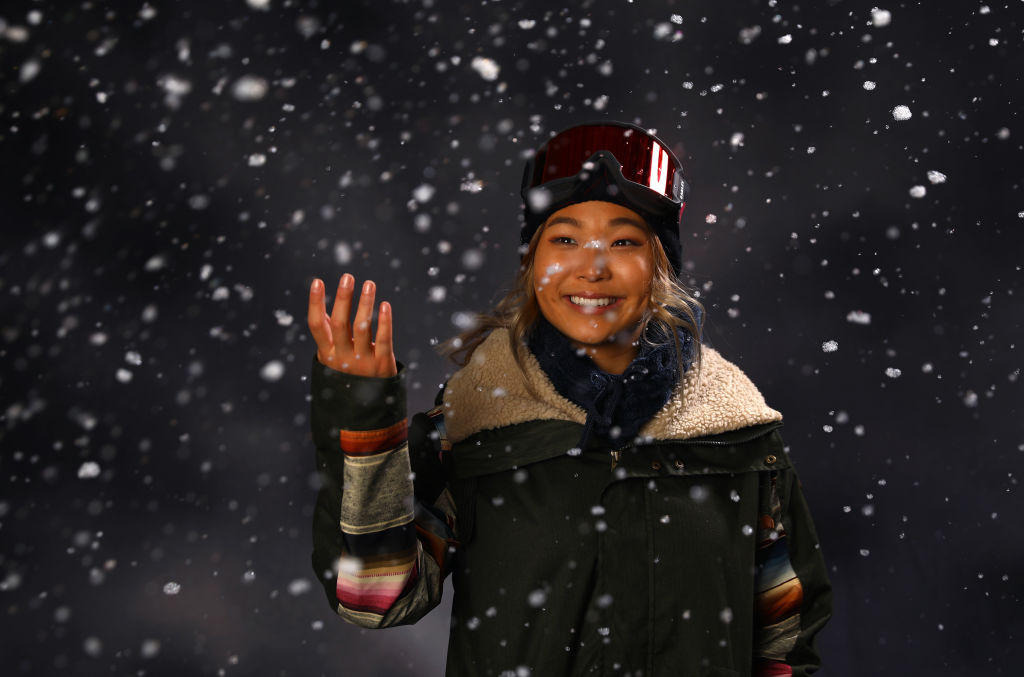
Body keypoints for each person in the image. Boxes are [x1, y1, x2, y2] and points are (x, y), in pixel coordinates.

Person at [306, 121, 832, 676]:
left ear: (659, 264)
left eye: (624, 241)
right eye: (565, 240)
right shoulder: (470, 433)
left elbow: (785, 644)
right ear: (533, 262)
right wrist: (363, 412)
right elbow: (376, 598)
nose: (593, 268)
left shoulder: (741, 443)